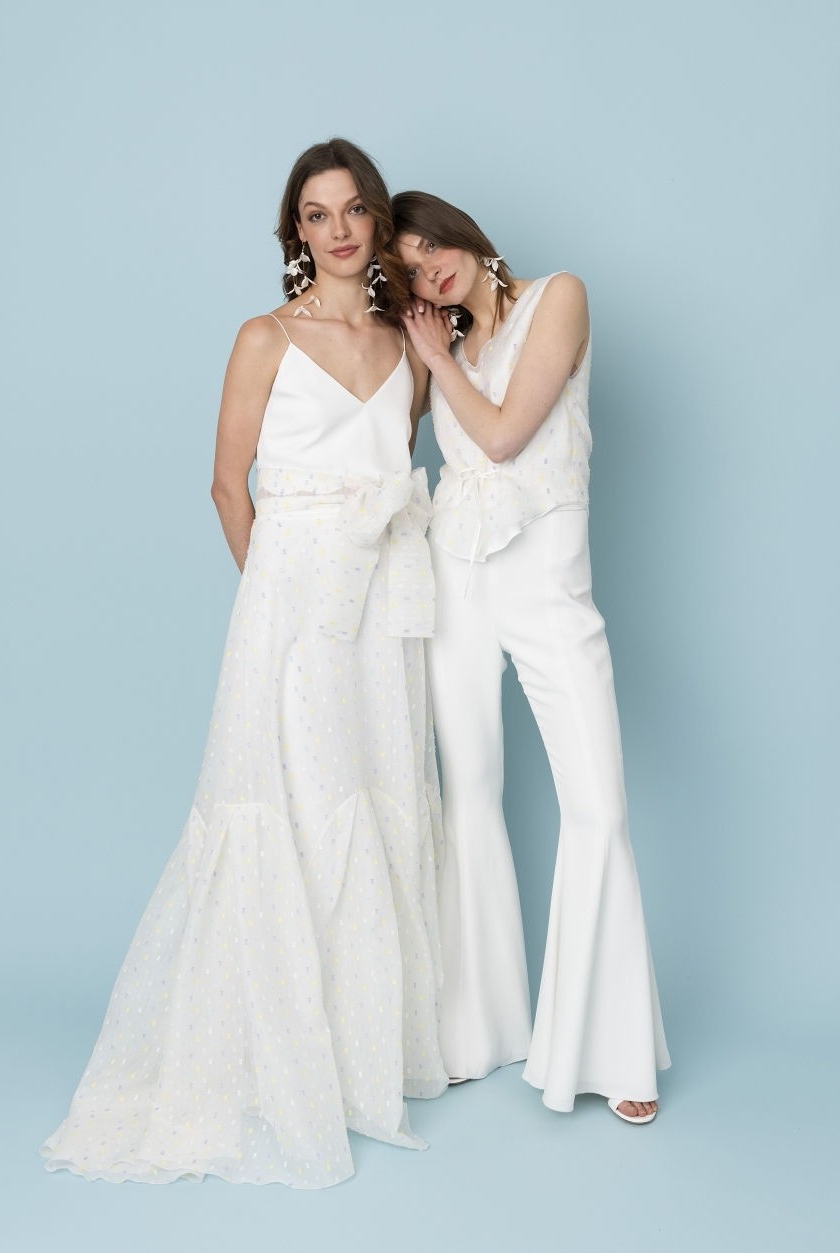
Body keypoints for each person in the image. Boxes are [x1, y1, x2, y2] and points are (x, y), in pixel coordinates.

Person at [42, 141, 447, 1190]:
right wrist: (278, 604)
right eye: (317, 214)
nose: (339, 230)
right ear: (294, 232)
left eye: (353, 209)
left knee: (371, 796)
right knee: (288, 804)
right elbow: (230, 485)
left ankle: (356, 1051)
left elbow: (393, 469)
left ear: (374, 219)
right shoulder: (265, 336)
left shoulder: (406, 342)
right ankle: (270, 1052)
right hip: (293, 602)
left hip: (384, 603)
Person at [393, 190, 670, 1124]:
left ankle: (613, 1051)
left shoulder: (560, 297)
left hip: (548, 587)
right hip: (456, 581)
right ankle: (476, 1030)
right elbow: (389, 438)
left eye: (432, 244)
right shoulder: (439, 345)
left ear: (462, 233)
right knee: (468, 795)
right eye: (410, 265)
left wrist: (437, 359)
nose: (431, 266)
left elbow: (508, 435)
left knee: (598, 808)